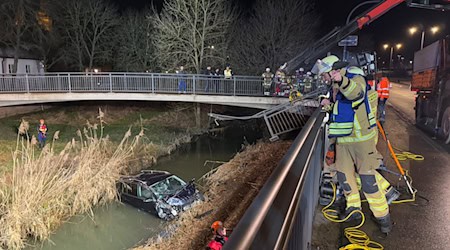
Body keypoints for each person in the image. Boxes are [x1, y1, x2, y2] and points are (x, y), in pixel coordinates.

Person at [315, 55, 392, 234]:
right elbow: (340, 110)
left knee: (368, 182)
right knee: (345, 179)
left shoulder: (354, 79)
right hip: (343, 142)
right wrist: (328, 104)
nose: (322, 78)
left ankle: (383, 218)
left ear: (333, 71)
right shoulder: (334, 87)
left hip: (361, 141)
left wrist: (341, 80)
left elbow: (356, 93)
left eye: (324, 74)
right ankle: (354, 210)